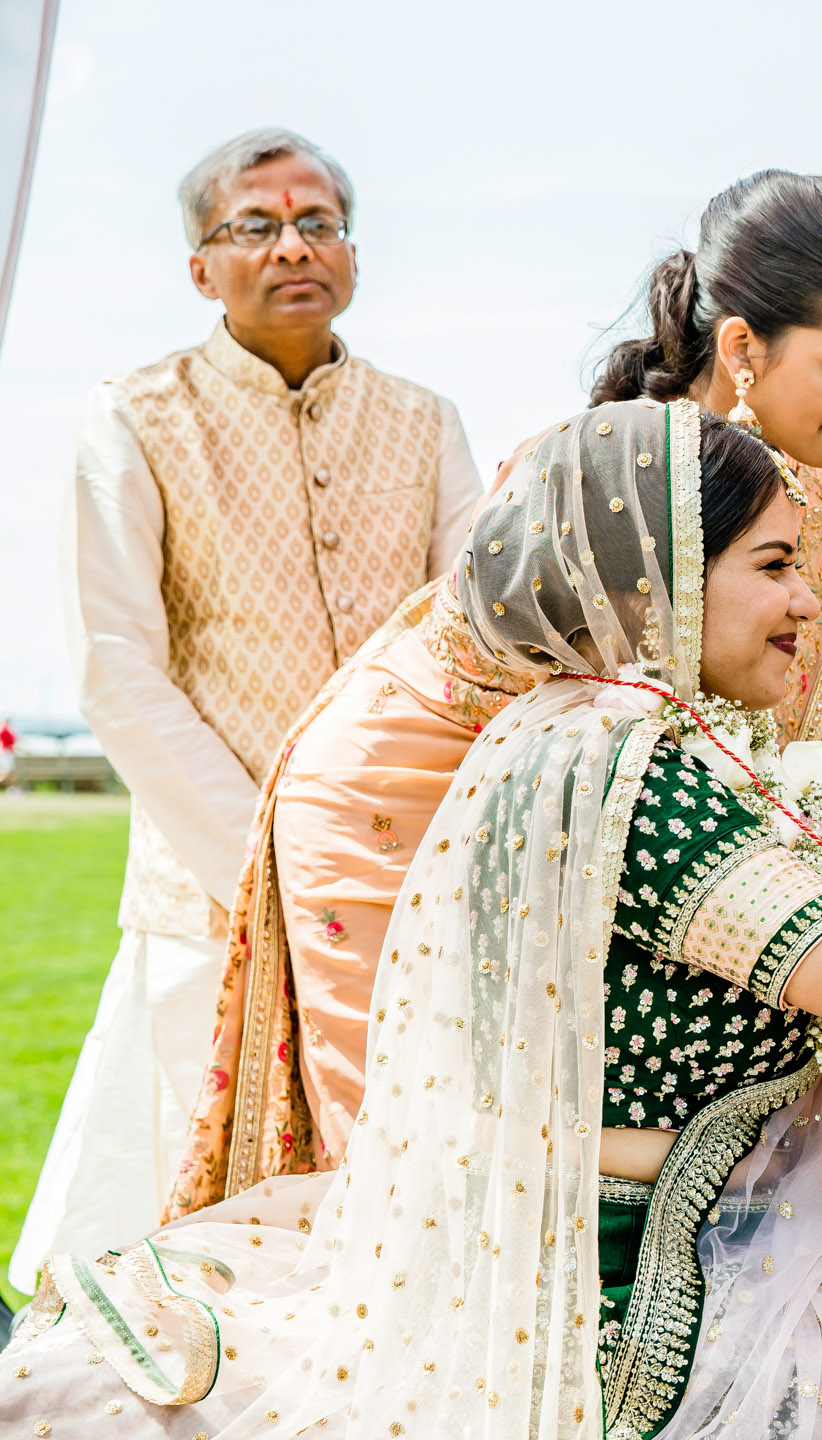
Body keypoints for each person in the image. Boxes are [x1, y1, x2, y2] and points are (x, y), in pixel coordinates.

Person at [0, 400, 822, 1438]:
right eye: (771, 565)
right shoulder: (632, 755)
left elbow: (798, 885)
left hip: (683, 1244)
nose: (810, 607)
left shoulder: (586, 731)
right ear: (654, 576)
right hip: (655, 1294)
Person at [164, 171, 822, 1217]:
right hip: (415, 809)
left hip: (631, 849)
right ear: (742, 349)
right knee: (445, 1186)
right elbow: (603, 775)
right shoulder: (594, 478)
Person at [15, 127, 481, 1293]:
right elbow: (118, 668)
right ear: (199, 267)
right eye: (256, 226)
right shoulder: (137, 415)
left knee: (407, 1225)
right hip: (206, 898)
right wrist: (267, 860)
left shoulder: (423, 421)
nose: (294, 247)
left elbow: (475, 635)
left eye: (318, 221)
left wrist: (379, 851)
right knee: (185, 1231)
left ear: (355, 253)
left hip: (402, 882)